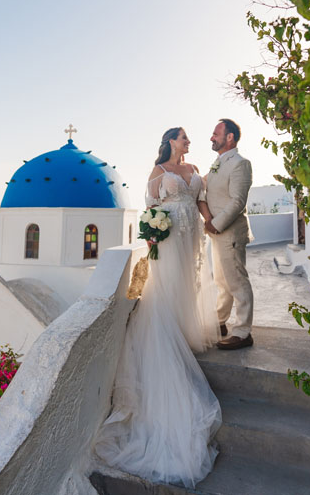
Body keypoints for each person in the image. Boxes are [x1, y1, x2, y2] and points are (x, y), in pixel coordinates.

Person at [94, 127, 222, 487]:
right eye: (183, 137)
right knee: (167, 292)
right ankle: (173, 334)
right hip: (168, 245)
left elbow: (200, 203)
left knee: (191, 286)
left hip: (193, 240)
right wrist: (153, 232)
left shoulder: (194, 169)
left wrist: (212, 223)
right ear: (170, 142)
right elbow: (150, 211)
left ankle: (187, 329)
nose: (188, 142)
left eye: (187, 139)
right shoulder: (158, 173)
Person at [204, 118, 254, 350]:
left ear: (230, 137)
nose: (212, 137)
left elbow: (237, 200)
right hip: (217, 233)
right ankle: (220, 321)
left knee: (236, 280)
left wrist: (216, 223)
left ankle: (243, 332)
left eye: (216, 133)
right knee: (222, 281)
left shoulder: (240, 164)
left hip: (230, 231)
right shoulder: (218, 163)